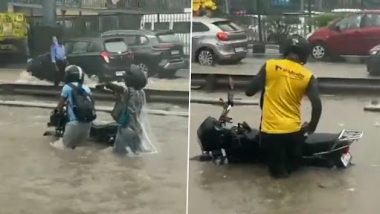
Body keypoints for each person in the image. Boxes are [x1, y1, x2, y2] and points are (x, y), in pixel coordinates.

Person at [245, 34, 322, 178]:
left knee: (277, 178)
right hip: (294, 134)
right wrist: (311, 127)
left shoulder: (269, 66)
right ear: (305, 55)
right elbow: (317, 105)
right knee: (293, 174)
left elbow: (249, 91)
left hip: (270, 134)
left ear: (285, 50)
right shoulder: (308, 76)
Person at [97, 65, 148, 155]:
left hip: (127, 129)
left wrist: (107, 85)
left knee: (118, 156)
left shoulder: (129, 92)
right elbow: (120, 92)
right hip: (138, 130)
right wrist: (107, 87)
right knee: (136, 155)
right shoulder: (140, 93)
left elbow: (120, 90)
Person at [51, 65, 96, 149]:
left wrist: (58, 113)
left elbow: (60, 106)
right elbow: (92, 104)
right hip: (87, 124)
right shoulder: (86, 88)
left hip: (73, 124)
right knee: (80, 149)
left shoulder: (67, 87)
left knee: (61, 148)